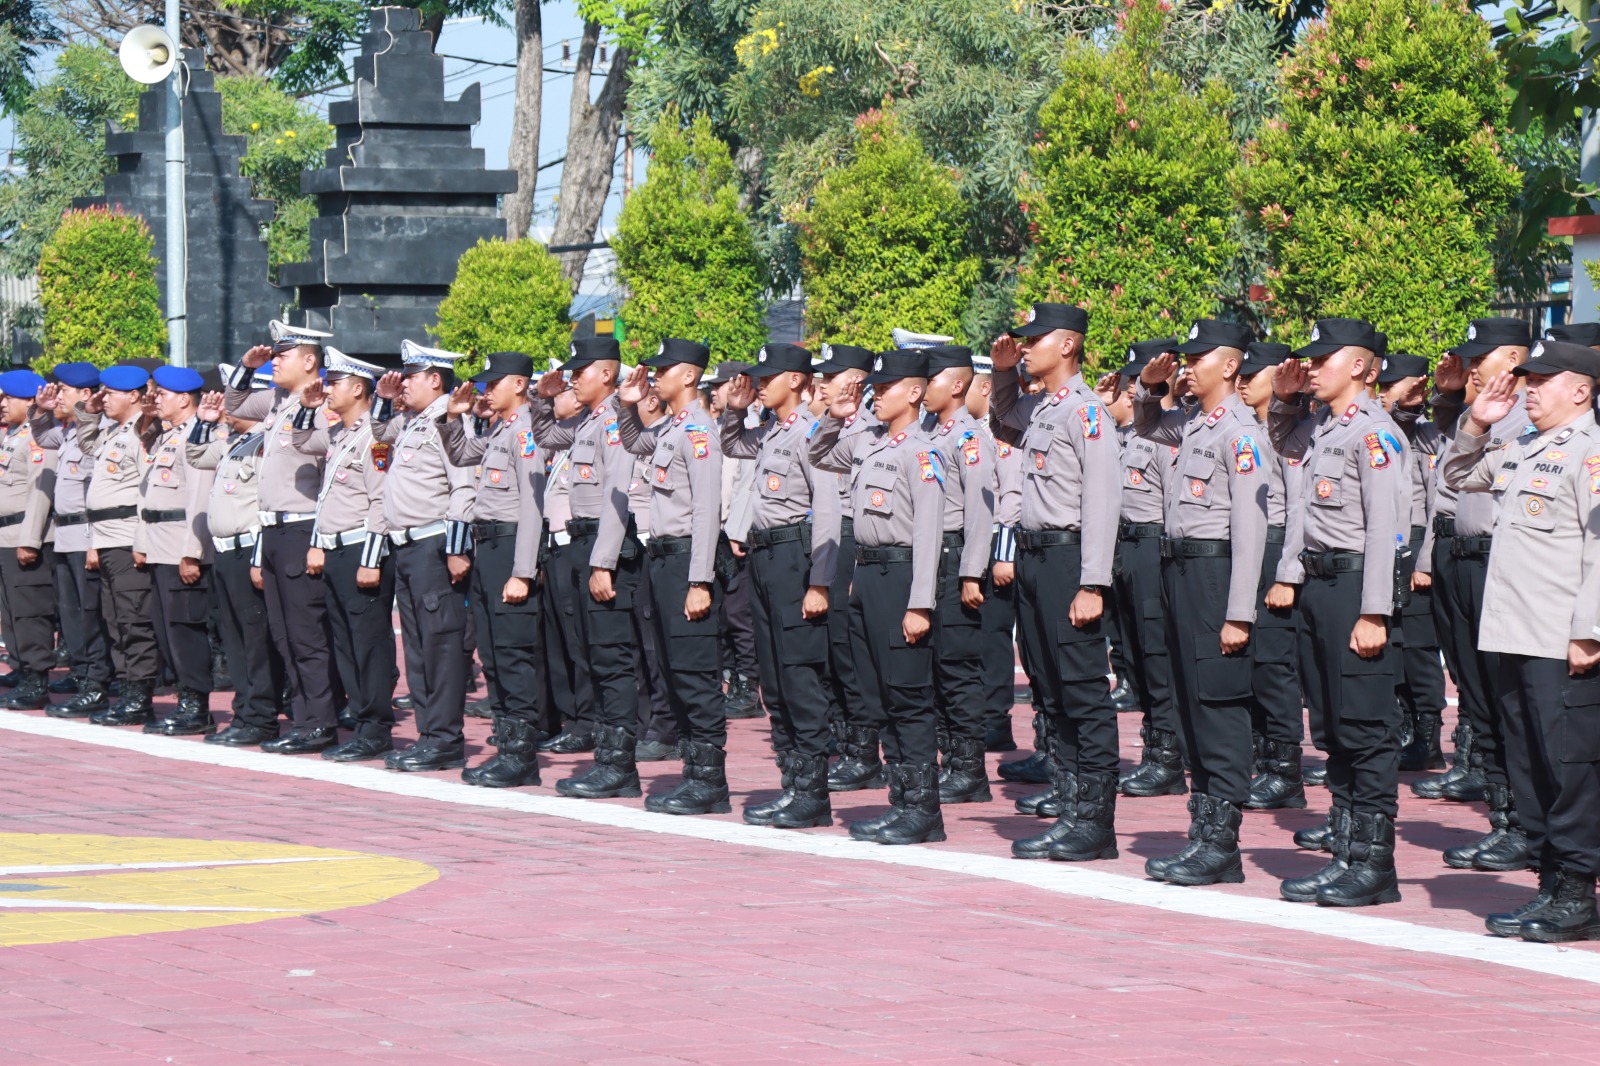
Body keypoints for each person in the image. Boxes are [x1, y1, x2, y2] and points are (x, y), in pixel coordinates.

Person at [1442, 338, 1600, 943]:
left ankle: (1577, 894)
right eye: (1527, 379)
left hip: (1560, 640)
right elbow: (1457, 475)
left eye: (1544, 380)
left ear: (1580, 389)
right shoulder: (1523, 447)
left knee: (1569, 769)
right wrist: (1475, 423)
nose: (1529, 390)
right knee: (1528, 764)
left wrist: (1588, 631)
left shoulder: (1588, 454)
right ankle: (1552, 884)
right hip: (1511, 634)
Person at [1268, 317, 1408, 907]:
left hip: (1355, 589)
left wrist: (1375, 610)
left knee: (1367, 731)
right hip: (1321, 589)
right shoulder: (1326, 428)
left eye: (1323, 359)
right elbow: (1295, 485)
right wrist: (1291, 576)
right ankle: (1347, 853)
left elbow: (1388, 530)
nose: (1313, 368)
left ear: (1357, 365)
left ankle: (1374, 865)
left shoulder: (1375, 434)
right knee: (1333, 730)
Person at [1132, 320, 1268, 885]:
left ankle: (1222, 843)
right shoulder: (1193, 424)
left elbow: (1252, 527)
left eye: (1199, 357)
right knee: (1189, 703)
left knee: (1218, 705)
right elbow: (1144, 425)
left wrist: (1240, 612)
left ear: (1231, 365)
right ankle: (1202, 830)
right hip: (1179, 569)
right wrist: (1150, 387)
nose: (1188, 365)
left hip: (1215, 573)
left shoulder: (1240, 432)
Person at [990, 303, 1123, 864]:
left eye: (1035, 340)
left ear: (1067, 345)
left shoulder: (1087, 412)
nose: (1026, 347)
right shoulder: (1045, 408)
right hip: (1036, 560)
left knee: (1082, 693)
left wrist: (1093, 581)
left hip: (1070, 560)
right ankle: (1070, 810)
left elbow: (1102, 500)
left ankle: (1094, 821)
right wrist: (1002, 374)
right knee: (1051, 690)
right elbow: (1002, 418)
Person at [809, 349, 947, 844]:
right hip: (867, 578)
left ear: (913, 392)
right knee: (881, 697)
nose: (875, 396)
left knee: (908, 695)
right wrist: (833, 415)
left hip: (902, 577)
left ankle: (923, 811)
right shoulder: (868, 442)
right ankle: (901, 801)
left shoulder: (923, 451)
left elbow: (930, 533)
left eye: (884, 389)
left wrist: (920, 603)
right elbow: (818, 453)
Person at [718, 343, 836, 827]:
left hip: (795, 558)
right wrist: (734, 410)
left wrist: (820, 581)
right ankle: (792, 785)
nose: (759, 384)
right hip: (765, 557)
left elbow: (827, 508)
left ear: (797, 380)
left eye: (768, 377)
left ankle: (812, 795)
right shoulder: (769, 430)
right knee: (774, 679)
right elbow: (731, 444)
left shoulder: (812, 432)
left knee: (799, 675)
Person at [616, 338, 729, 815]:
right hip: (661, 559)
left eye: (664, 370)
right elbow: (633, 440)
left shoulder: (699, 430)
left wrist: (700, 580)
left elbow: (707, 509)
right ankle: (692, 774)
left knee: (695, 673)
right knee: (671, 669)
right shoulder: (670, 426)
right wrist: (627, 407)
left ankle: (710, 781)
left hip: (686, 559)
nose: (655, 377)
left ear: (689, 376)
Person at [223, 321, 341, 753]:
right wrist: (244, 367)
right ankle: (303, 716)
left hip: (300, 526)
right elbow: (234, 403)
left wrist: (318, 539)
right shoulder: (276, 400)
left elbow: (329, 471)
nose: (274, 362)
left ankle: (319, 721)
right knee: (282, 633)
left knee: (306, 633)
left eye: (282, 356)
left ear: (309, 361)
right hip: (271, 528)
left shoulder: (323, 404)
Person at [369, 340, 478, 771]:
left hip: (435, 547)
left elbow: (464, 487)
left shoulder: (452, 420)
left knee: (442, 647)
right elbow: (379, 432)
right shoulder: (414, 421)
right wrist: (383, 399)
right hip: (408, 547)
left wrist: (455, 549)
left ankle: (445, 738)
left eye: (410, 377)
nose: (403, 383)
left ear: (436, 380)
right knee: (416, 648)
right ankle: (429, 734)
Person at [439, 351, 546, 787]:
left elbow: (533, 508)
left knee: (513, 655)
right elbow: (464, 454)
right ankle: (506, 748)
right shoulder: (501, 427)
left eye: (494, 383)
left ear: (519, 385)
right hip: (488, 548)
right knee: (494, 657)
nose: (486, 390)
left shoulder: (526, 433)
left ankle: (521, 756)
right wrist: (455, 418)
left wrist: (523, 571)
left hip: (509, 549)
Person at [287, 350, 396, 760]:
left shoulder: (375, 436)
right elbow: (300, 442)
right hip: (335, 551)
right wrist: (307, 408)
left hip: (358, 551)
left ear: (357, 389)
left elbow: (379, 501)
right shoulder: (339, 434)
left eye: (334, 384)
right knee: (346, 646)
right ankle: (363, 721)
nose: (327, 389)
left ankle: (375, 728)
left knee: (368, 645)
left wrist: (371, 559)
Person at [919, 344, 998, 805]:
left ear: (955, 384)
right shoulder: (932, 431)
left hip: (954, 556)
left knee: (957, 669)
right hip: (932, 556)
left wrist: (971, 572)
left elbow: (980, 509)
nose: (923, 390)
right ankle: (951, 758)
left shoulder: (968, 437)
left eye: (930, 381)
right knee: (934, 667)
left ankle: (969, 770)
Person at [189, 370, 285, 745]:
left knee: (255, 640)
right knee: (234, 639)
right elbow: (196, 455)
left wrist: (260, 558)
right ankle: (245, 712)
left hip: (249, 551)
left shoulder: (266, 444)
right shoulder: (237, 441)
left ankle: (261, 717)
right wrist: (203, 423)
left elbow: (266, 505)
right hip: (226, 552)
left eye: (237, 397)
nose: (228, 403)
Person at [1105, 339, 1183, 799]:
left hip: (1155, 547)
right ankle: (1157, 748)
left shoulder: (1167, 438)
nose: (1133, 390)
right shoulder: (1133, 434)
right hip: (1129, 547)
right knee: (1136, 652)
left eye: (1140, 382)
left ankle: (1167, 756)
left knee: (1158, 655)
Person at [810, 343, 887, 793]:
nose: (824, 383)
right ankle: (848, 742)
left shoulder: (873, 427)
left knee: (854, 650)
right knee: (835, 650)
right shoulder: (833, 425)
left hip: (859, 537)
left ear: (856, 381)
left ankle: (864, 750)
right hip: (831, 540)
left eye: (834, 376)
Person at [1234, 341, 1308, 811]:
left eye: (1252, 375)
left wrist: (1287, 572)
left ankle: (1285, 771)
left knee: (1274, 667)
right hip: (1251, 548)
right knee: (1252, 664)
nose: (1242, 382)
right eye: (1239, 374)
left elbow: (1300, 507)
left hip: (1278, 548)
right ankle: (1263, 758)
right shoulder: (1244, 429)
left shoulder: (1290, 434)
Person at [1376, 350, 1449, 773]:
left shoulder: (1430, 437)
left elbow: (1437, 505)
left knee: (1420, 650)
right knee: (1397, 646)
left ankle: (1428, 737)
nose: (1388, 395)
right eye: (1384, 388)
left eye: (1396, 387)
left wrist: (1423, 563)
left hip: (1419, 546)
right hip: (1390, 547)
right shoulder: (1383, 431)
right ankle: (1403, 728)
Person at [77, 365, 161, 726]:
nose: (104, 397)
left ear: (134, 396)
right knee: (116, 621)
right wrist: (88, 412)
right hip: (108, 538)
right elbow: (86, 444)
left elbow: (147, 491)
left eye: (110, 392)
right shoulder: (115, 431)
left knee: (134, 619)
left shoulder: (144, 431)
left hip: (129, 538)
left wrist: (142, 540)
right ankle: (127, 688)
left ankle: (140, 695)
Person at [135, 365, 216, 735]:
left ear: (184, 399)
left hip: (180, 547)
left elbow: (199, 498)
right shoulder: (168, 436)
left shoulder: (196, 435)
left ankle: (196, 706)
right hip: (159, 546)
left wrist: (192, 552)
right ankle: (186, 699)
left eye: (162, 394)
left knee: (185, 630)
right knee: (167, 630)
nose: (156, 399)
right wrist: (142, 544)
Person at [36, 364, 111, 713]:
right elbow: (41, 435)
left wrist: (95, 540)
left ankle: (97, 678)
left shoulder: (97, 434)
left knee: (90, 612)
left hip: (85, 532)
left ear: (84, 395)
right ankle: (82, 672)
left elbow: (98, 492)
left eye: (64, 390)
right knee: (70, 612)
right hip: (65, 534)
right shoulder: (69, 432)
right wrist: (42, 409)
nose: (58, 395)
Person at [0, 370, 57, 711]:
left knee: (30, 611)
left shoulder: (37, 437)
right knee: (10, 611)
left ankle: (36, 678)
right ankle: (22, 669)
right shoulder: (13, 436)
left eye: (8, 398)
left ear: (29, 400)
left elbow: (40, 491)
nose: (2, 404)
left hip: (23, 533)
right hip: (5, 534)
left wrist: (30, 539)